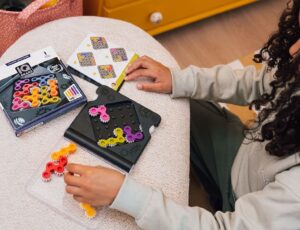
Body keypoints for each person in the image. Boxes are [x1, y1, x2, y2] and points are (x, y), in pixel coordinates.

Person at [64, 0, 300, 229]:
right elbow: (261, 82)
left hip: (242, 206)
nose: (293, 50)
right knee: (171, 100)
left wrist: (124, 195)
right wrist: (178, 79)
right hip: (246, 154)